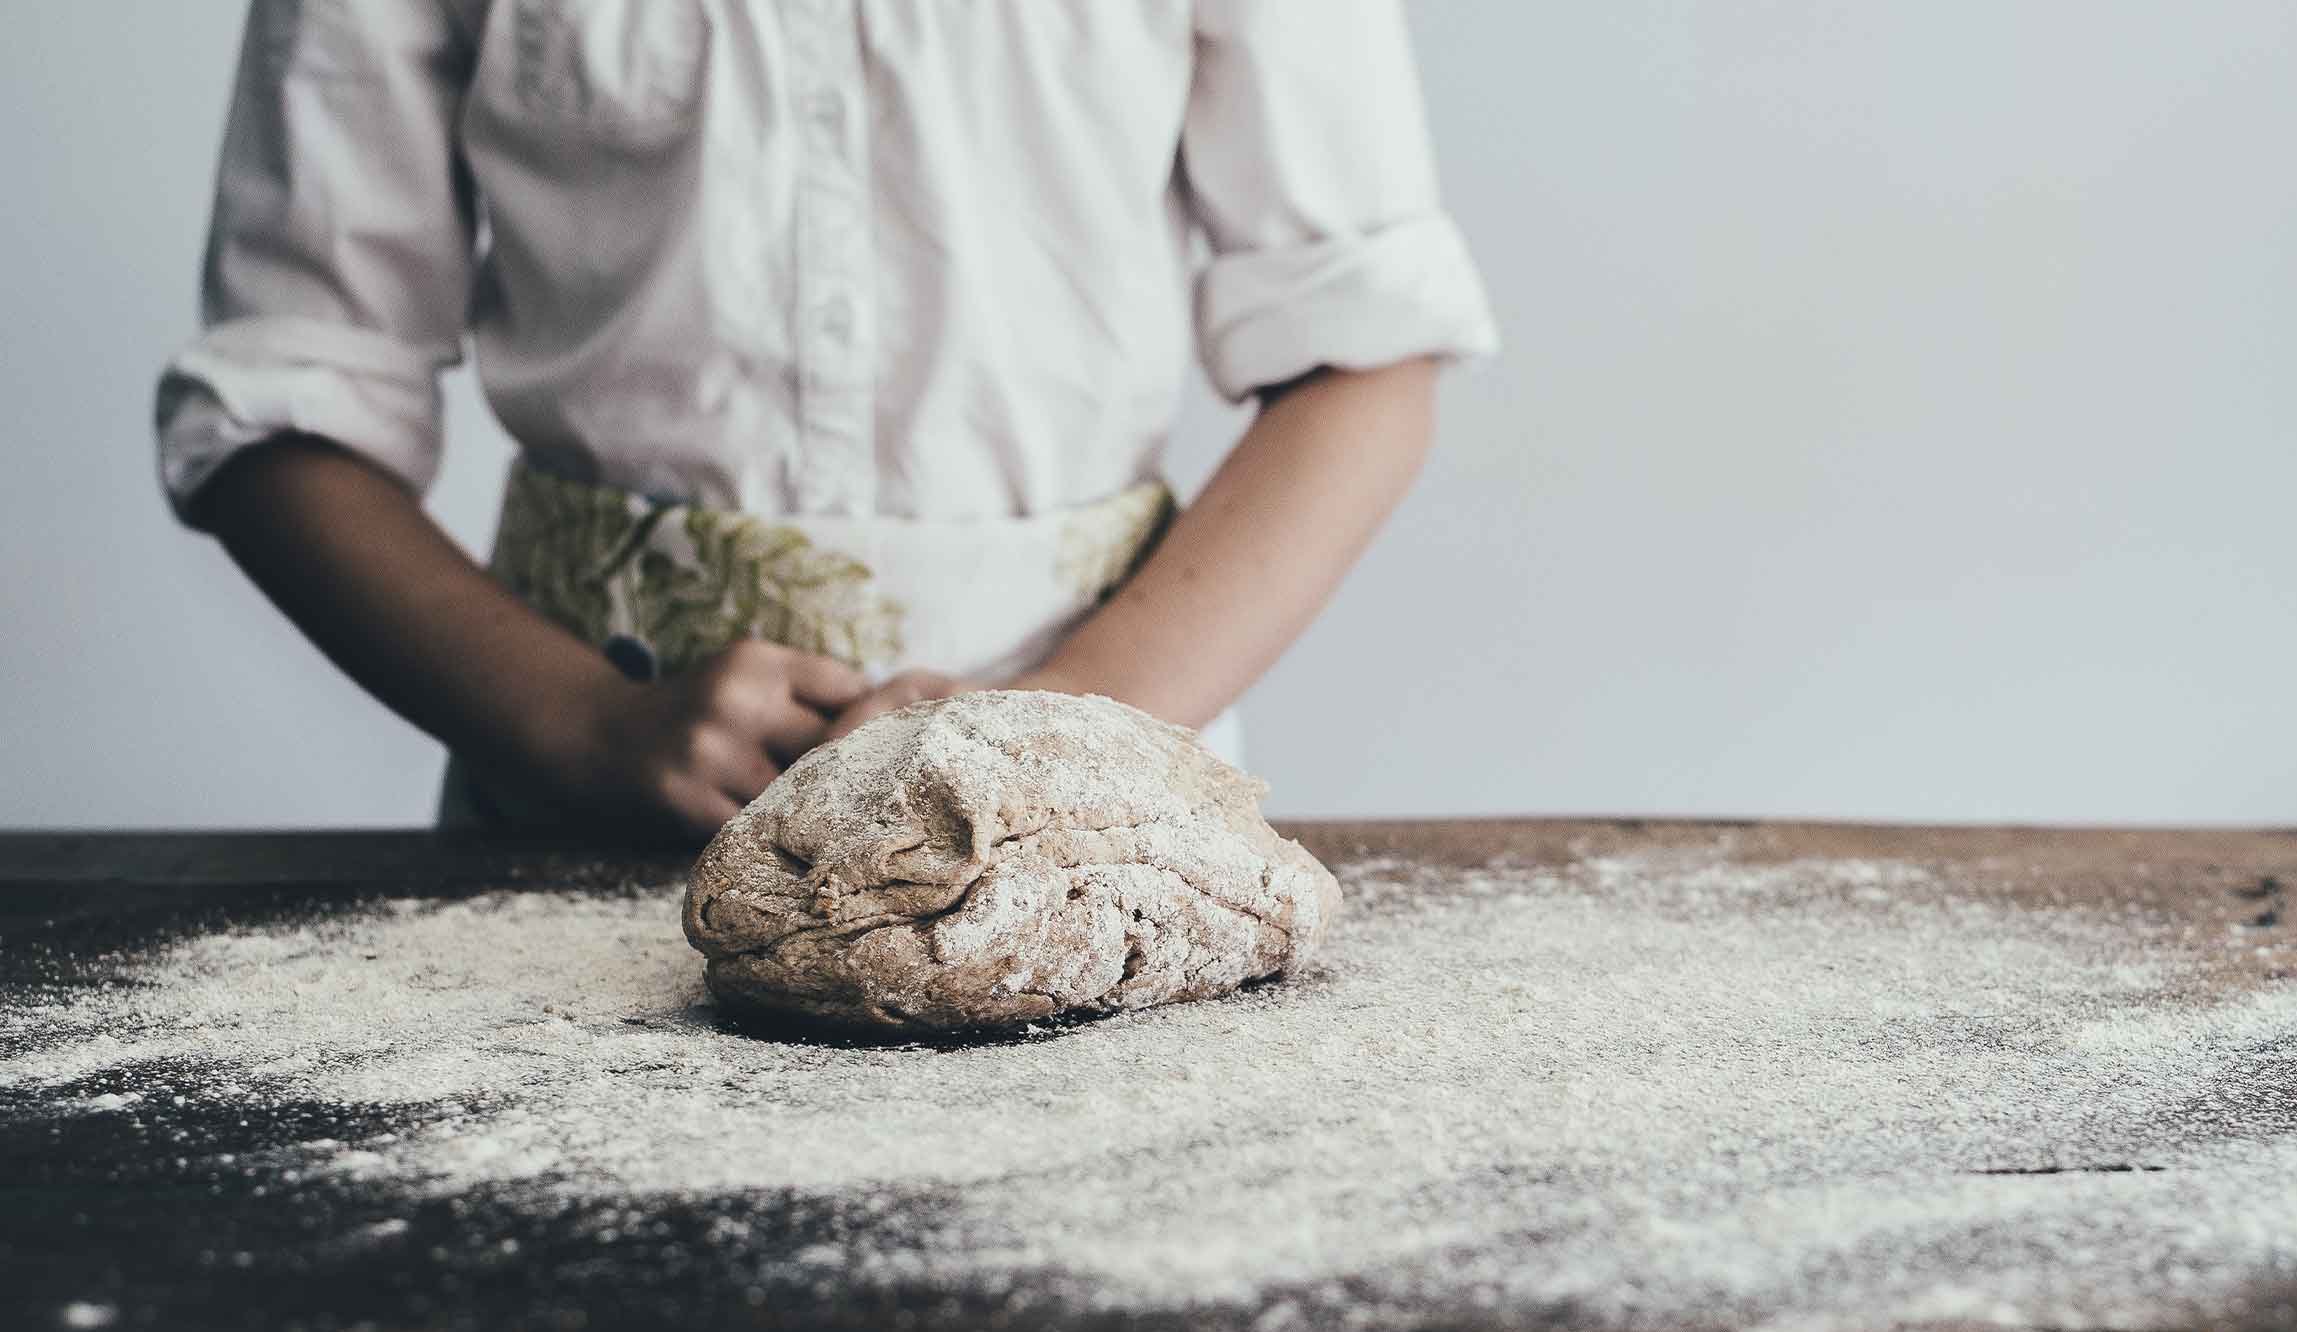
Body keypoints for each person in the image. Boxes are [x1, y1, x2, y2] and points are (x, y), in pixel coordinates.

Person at [157, 1, 1497, 839]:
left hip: (1098, 819)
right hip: (578, 826)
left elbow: (1364, 365)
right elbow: (283, 402)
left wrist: (1057, 731)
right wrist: (578, 725)